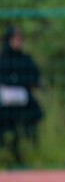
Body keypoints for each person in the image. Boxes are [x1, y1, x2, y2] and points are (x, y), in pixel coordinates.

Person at [0, 25, 44, 166]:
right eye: (15, 39)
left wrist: (19, 82)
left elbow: (34, 77)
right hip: (5, 104)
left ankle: (29, 153)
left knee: (34, 114)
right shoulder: (3, 59)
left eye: (20, 39)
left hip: (23, 102)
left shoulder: (25, 59)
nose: (18, 42)